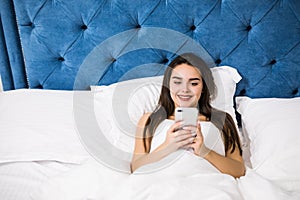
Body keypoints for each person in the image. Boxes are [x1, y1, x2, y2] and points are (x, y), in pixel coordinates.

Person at [130, 53, 245, 178]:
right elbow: (136, 167)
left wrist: (205, 152)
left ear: (203, 88)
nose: (185, 89)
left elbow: (239, 170)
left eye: (194, 83)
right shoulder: (149, 120)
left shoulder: (222, 120)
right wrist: (168, 146)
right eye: (177, 82)